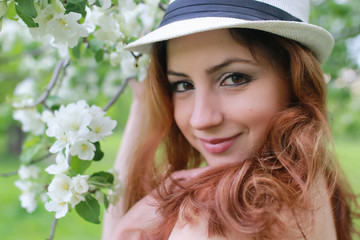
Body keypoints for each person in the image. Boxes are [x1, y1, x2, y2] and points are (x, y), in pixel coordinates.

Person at [102, 0, 360, 239]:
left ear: (294, 80)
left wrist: (131, 224)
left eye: (235, 78)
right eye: (183, 85)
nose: (201, 119)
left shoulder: (216, 218)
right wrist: (140, 104)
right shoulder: (310, 178)